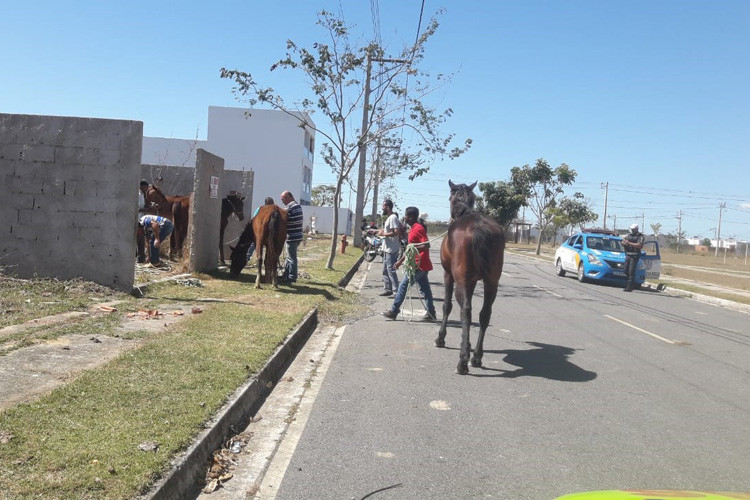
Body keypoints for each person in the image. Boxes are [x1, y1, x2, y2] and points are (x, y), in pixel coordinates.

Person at [382, 206, 437, 321]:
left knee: (403, 287)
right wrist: (399, 262)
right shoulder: (412, 228)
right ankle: (431, 313)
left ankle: (394, 310)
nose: (404, 217)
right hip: (418, 265)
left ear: (410, 217)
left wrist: (414, 247)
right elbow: (409, 249)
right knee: (425, 290)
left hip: (418, 265)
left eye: (406, 215)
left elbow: (426, 245)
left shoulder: (418, 229)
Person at [377, 199, 401, 296]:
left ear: (387, 207)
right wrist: (381, 232)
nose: (382, 208)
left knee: (391, 270)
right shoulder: (388, 218)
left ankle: (396, 291)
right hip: (386, 248)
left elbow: (396, 232)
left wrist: (384, 234)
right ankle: (388, 289)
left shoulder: (393, 217)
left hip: (391, 249)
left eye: (383, 206)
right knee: (385, 270)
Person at [281, 190, 303, 283]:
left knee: (291, 257)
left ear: (288, 197)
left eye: (283, 199)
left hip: (292, 236)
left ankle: (292, 276)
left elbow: (283, 220)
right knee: (289, 256)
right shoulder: (297, 206)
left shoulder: (289, 207)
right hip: (298, 236)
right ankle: (286, 274)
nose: (282, 201)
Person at [622, 223, 645, 292]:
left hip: (635, 255)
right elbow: (624, 241)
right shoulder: (628, 236)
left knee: (631, 271)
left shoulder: (640, 236)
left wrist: (629, 243)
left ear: (636, 229)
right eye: (631, 229)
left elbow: (639, 245)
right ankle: (630, 283)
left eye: (633, 229)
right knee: (626, 270)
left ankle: (629, 286)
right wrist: (624, 243)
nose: (632, 231)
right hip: (628, 254)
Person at [136, 180, 150, 263]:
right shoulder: (138, 195)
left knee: (140, 239)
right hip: (138, 220)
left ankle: (140, 258)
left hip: (140, 219)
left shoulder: (142, 195)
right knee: (139, 239)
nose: (147, 189)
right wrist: (146, 209)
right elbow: (137, 208)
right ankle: (140, 258)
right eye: (146, 187)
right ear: (142, 186)